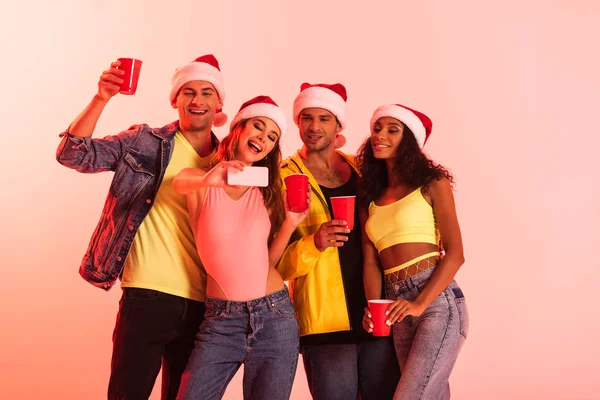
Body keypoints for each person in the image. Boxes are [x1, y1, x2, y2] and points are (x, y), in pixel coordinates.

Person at [55, 54, 228, 399]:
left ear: (219, 103)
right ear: (175, 100)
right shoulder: (144, 142)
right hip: (148, 295)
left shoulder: (230, 160)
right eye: (188, 92)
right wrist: (102, 97)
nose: (197, 100)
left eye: (207, 92)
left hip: (205, 305)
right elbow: (72, 154)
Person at [173, 96, 307, 400]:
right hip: (221, 321)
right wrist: (211, 177)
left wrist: (289, 223)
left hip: (275, 315)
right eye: (258, 127)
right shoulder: (203, 180)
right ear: (238, 128)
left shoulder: (268, 190)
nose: (263, 138)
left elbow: (267, 260)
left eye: (272, 137)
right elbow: (181, 181)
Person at [276, 83, 400, 400]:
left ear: (338, 125)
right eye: (306, 118)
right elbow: (274, 265)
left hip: (376, 310)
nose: (314, 127)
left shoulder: (361, 168)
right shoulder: (284, 177)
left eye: (324, 118)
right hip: (325, 322)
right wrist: (313, 243)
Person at [358, 104, 469, 399]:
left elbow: (456, 253)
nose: (380, 135)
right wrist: (373, 306)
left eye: (392, 130)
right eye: (377, 128)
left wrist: (420, 303)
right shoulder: (370, 195)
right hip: (395, 306)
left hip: (436, 301)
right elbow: (371, 262)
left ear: (410, 140)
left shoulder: (432, 183)